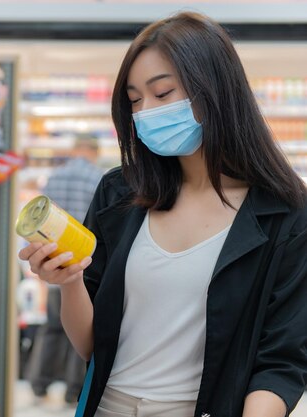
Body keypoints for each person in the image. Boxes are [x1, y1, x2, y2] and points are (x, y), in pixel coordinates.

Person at [19, 12, 307, 417]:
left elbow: (282, 360)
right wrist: (68, 282)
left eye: (163, 93)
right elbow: (91, 346)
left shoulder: (286, 213)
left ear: (215, 90)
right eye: (135, 100)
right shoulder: (120, 192)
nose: (145, 112)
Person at [26, 139, 103, 403]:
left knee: (51, 328)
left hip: (52, 264)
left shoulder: (55, 177)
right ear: (93, 152)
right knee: (80, 330)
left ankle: (39, 386)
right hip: (83, 265)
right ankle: (72, 392)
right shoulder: (98, 177)